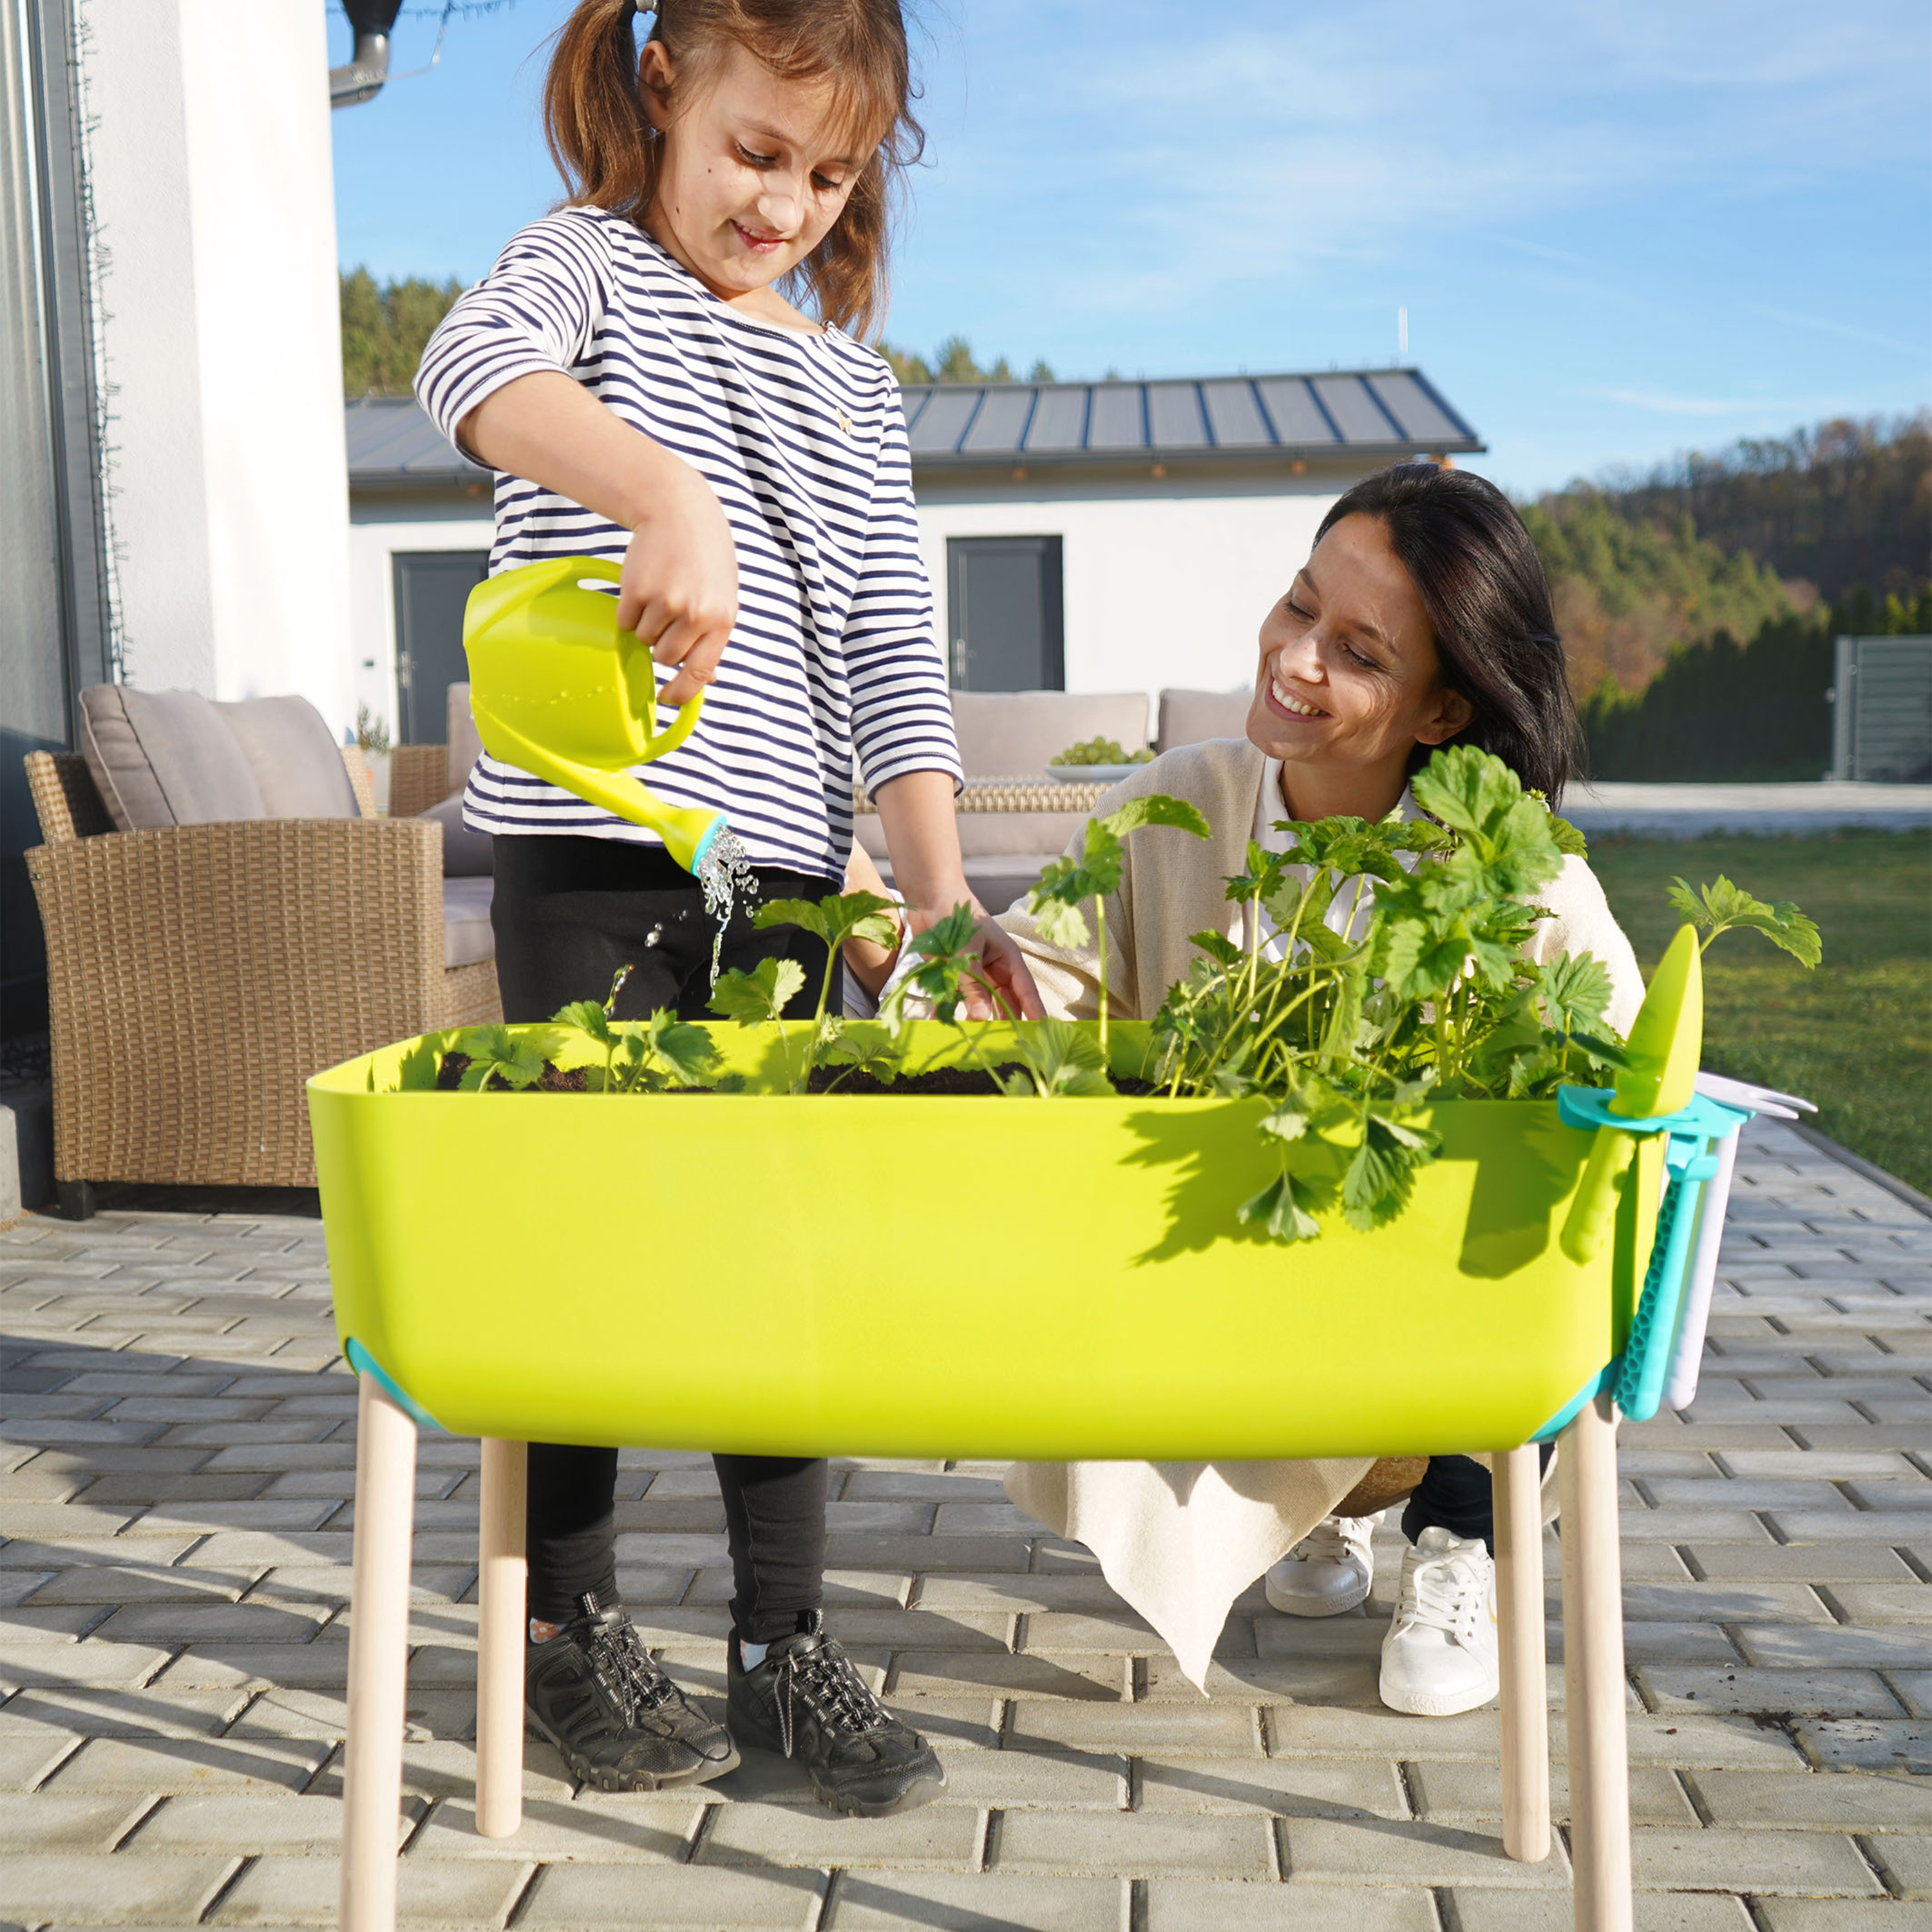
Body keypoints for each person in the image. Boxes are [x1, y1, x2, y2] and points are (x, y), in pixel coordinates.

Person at [414, 0, 1039, 1815]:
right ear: (666, 83)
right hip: (594, 859)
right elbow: (469, 373)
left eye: (831, 174)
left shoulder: (854, 384)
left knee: (781, 1270)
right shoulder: (586, 272)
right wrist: (653, 486)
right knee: (593, 1261)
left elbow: (893, 652)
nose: (787, 205)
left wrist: (934, 892)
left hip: (777, 882)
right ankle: (565, 1642)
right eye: (759, 154)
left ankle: (784, 1655)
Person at [994, 462, 1644, 1714]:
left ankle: (1467, 1530)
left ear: (1444, 711)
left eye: (1356, 652)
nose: (1294, 661)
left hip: (1426, 1320)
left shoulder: (1510, 875)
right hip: (1230, 1292)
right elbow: (1040, 977)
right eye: (1298, 607)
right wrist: (932, 957)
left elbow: (1616, 1098)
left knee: (1525, 1192)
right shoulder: (1181, 803)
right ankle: (1306, 1514)